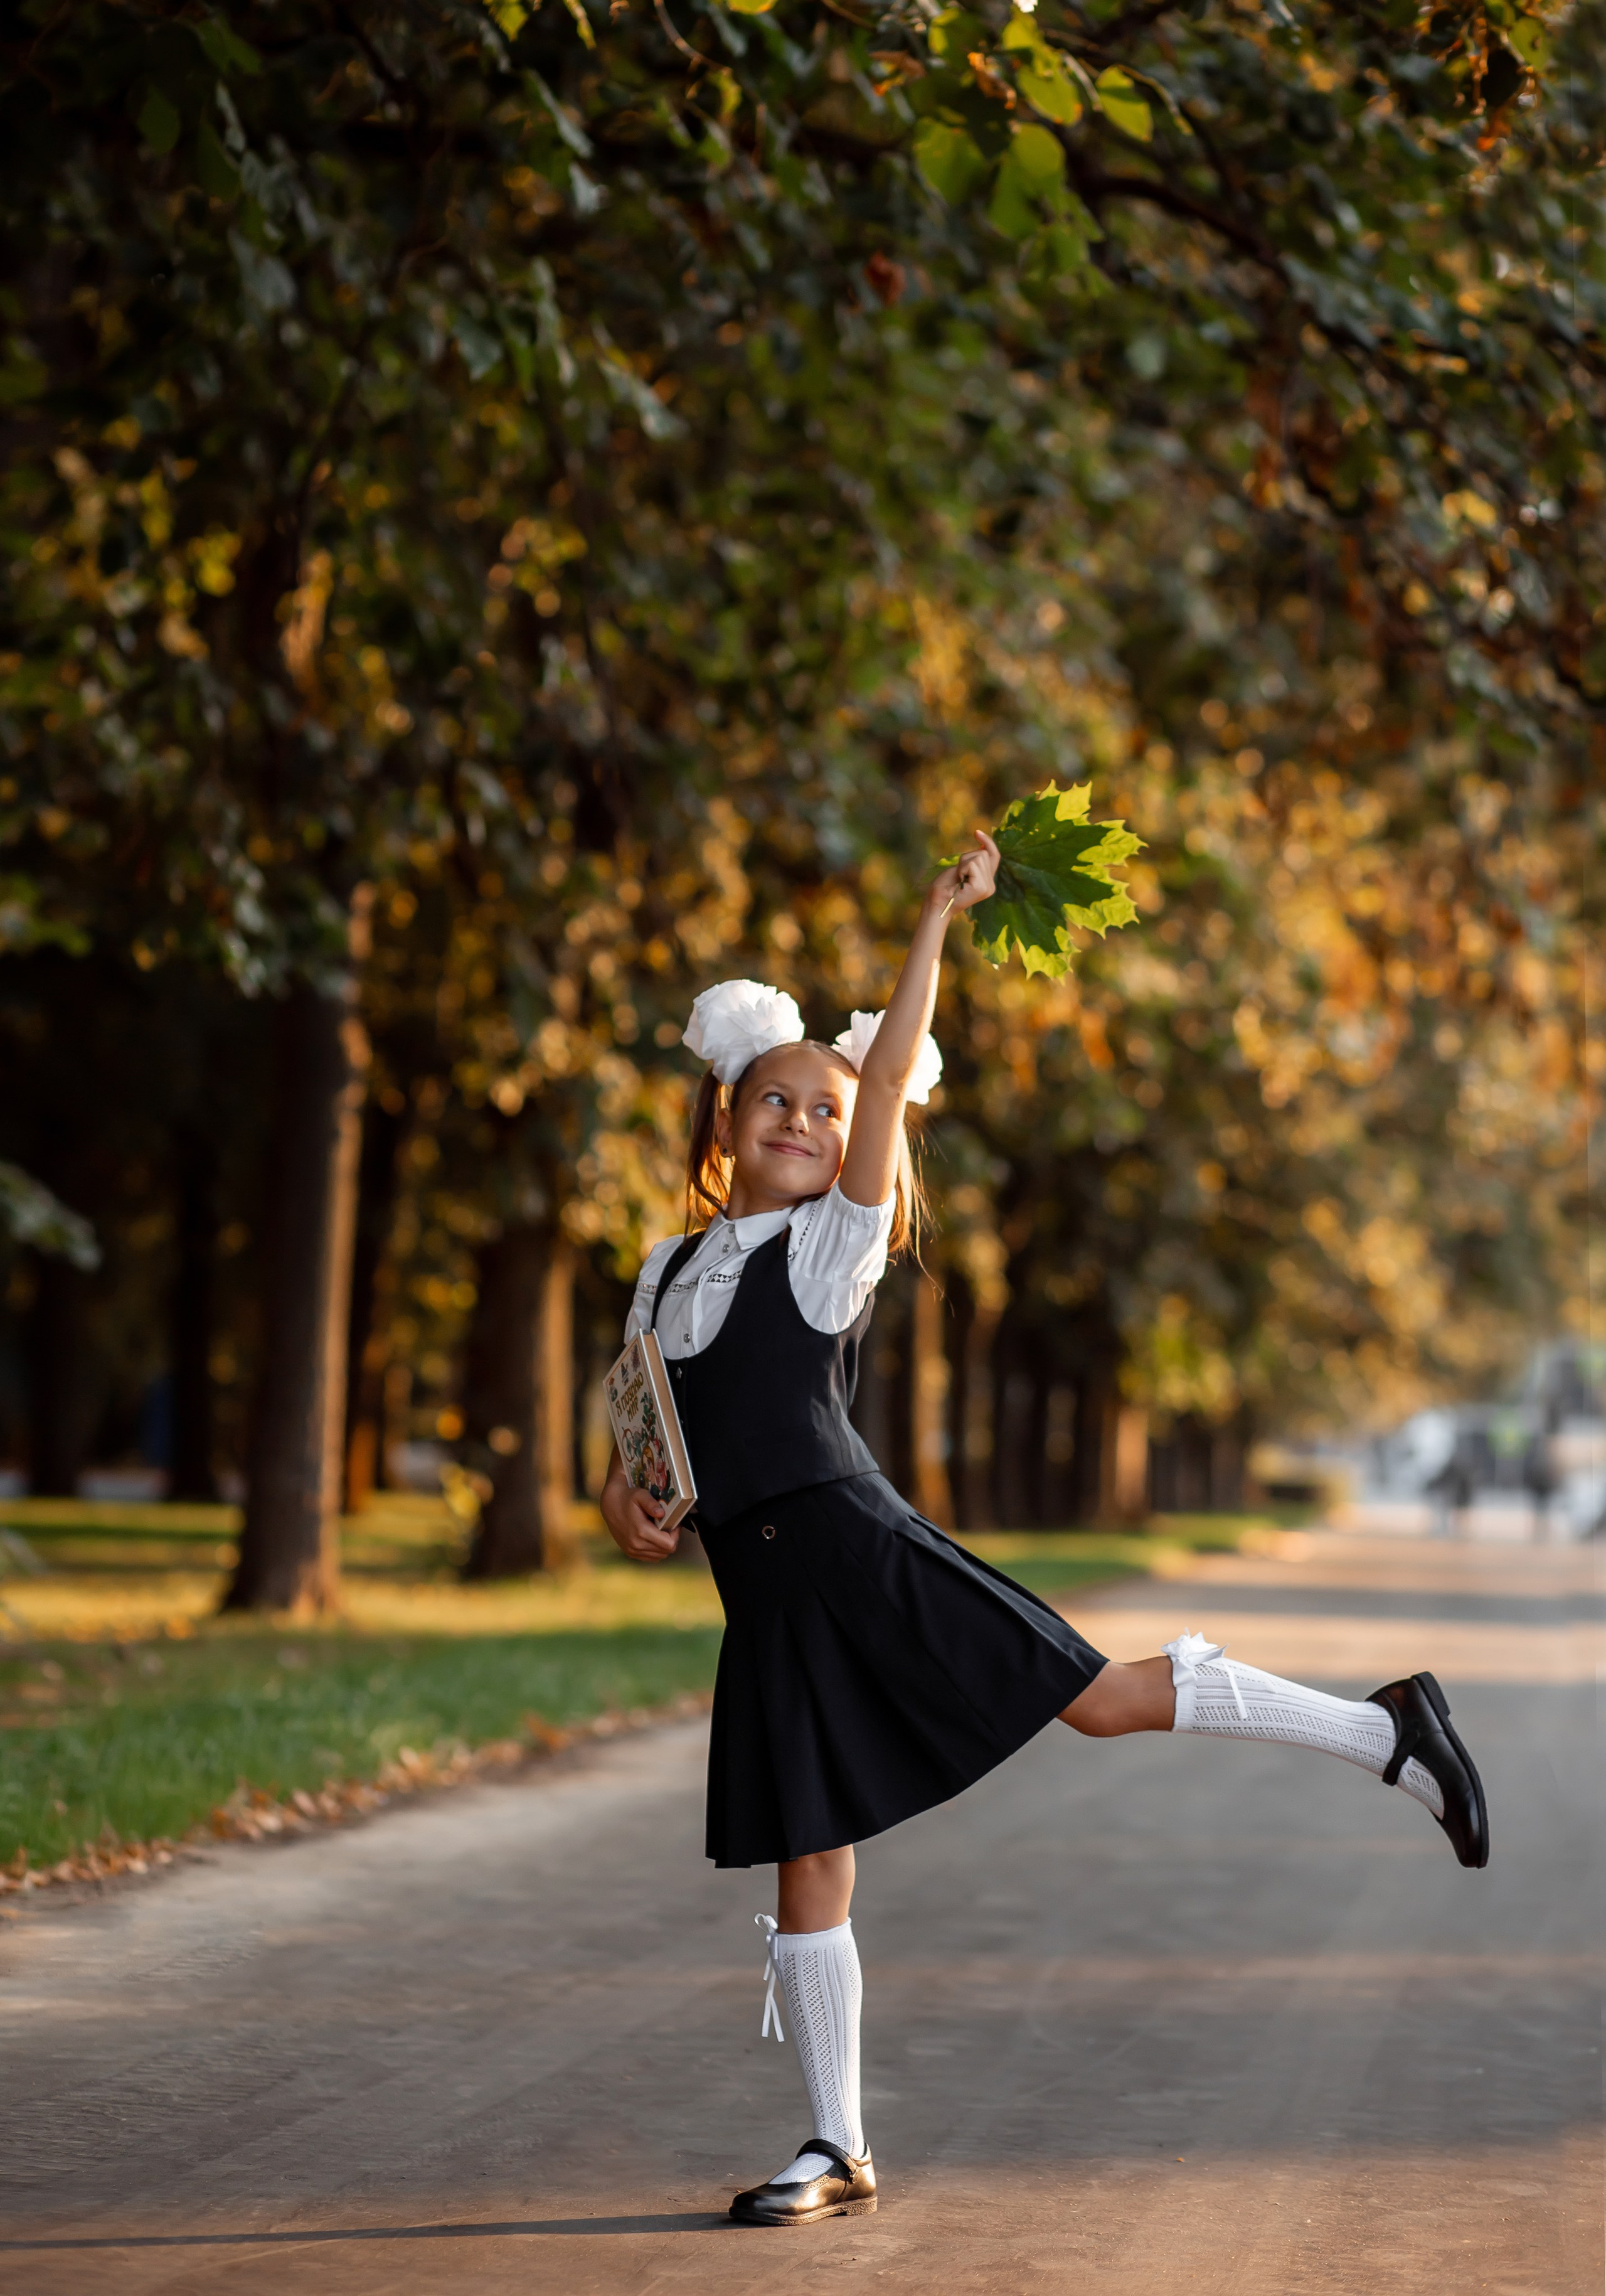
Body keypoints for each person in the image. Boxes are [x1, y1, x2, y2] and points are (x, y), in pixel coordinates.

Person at [600, 831, 1490, 2230]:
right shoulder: (663, 1274)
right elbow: (636, 1448)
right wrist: (632, 1505)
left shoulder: (835, 1246)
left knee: (1098, 1702)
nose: (803, 1122)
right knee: (808, 1852)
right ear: (719, 1121)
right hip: (762, 1599)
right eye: (772, 1102)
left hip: (862, 1557)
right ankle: (835, 2145)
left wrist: (931, 920)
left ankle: (1383, 1733)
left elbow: (889, 1073)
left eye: (824, 1113)